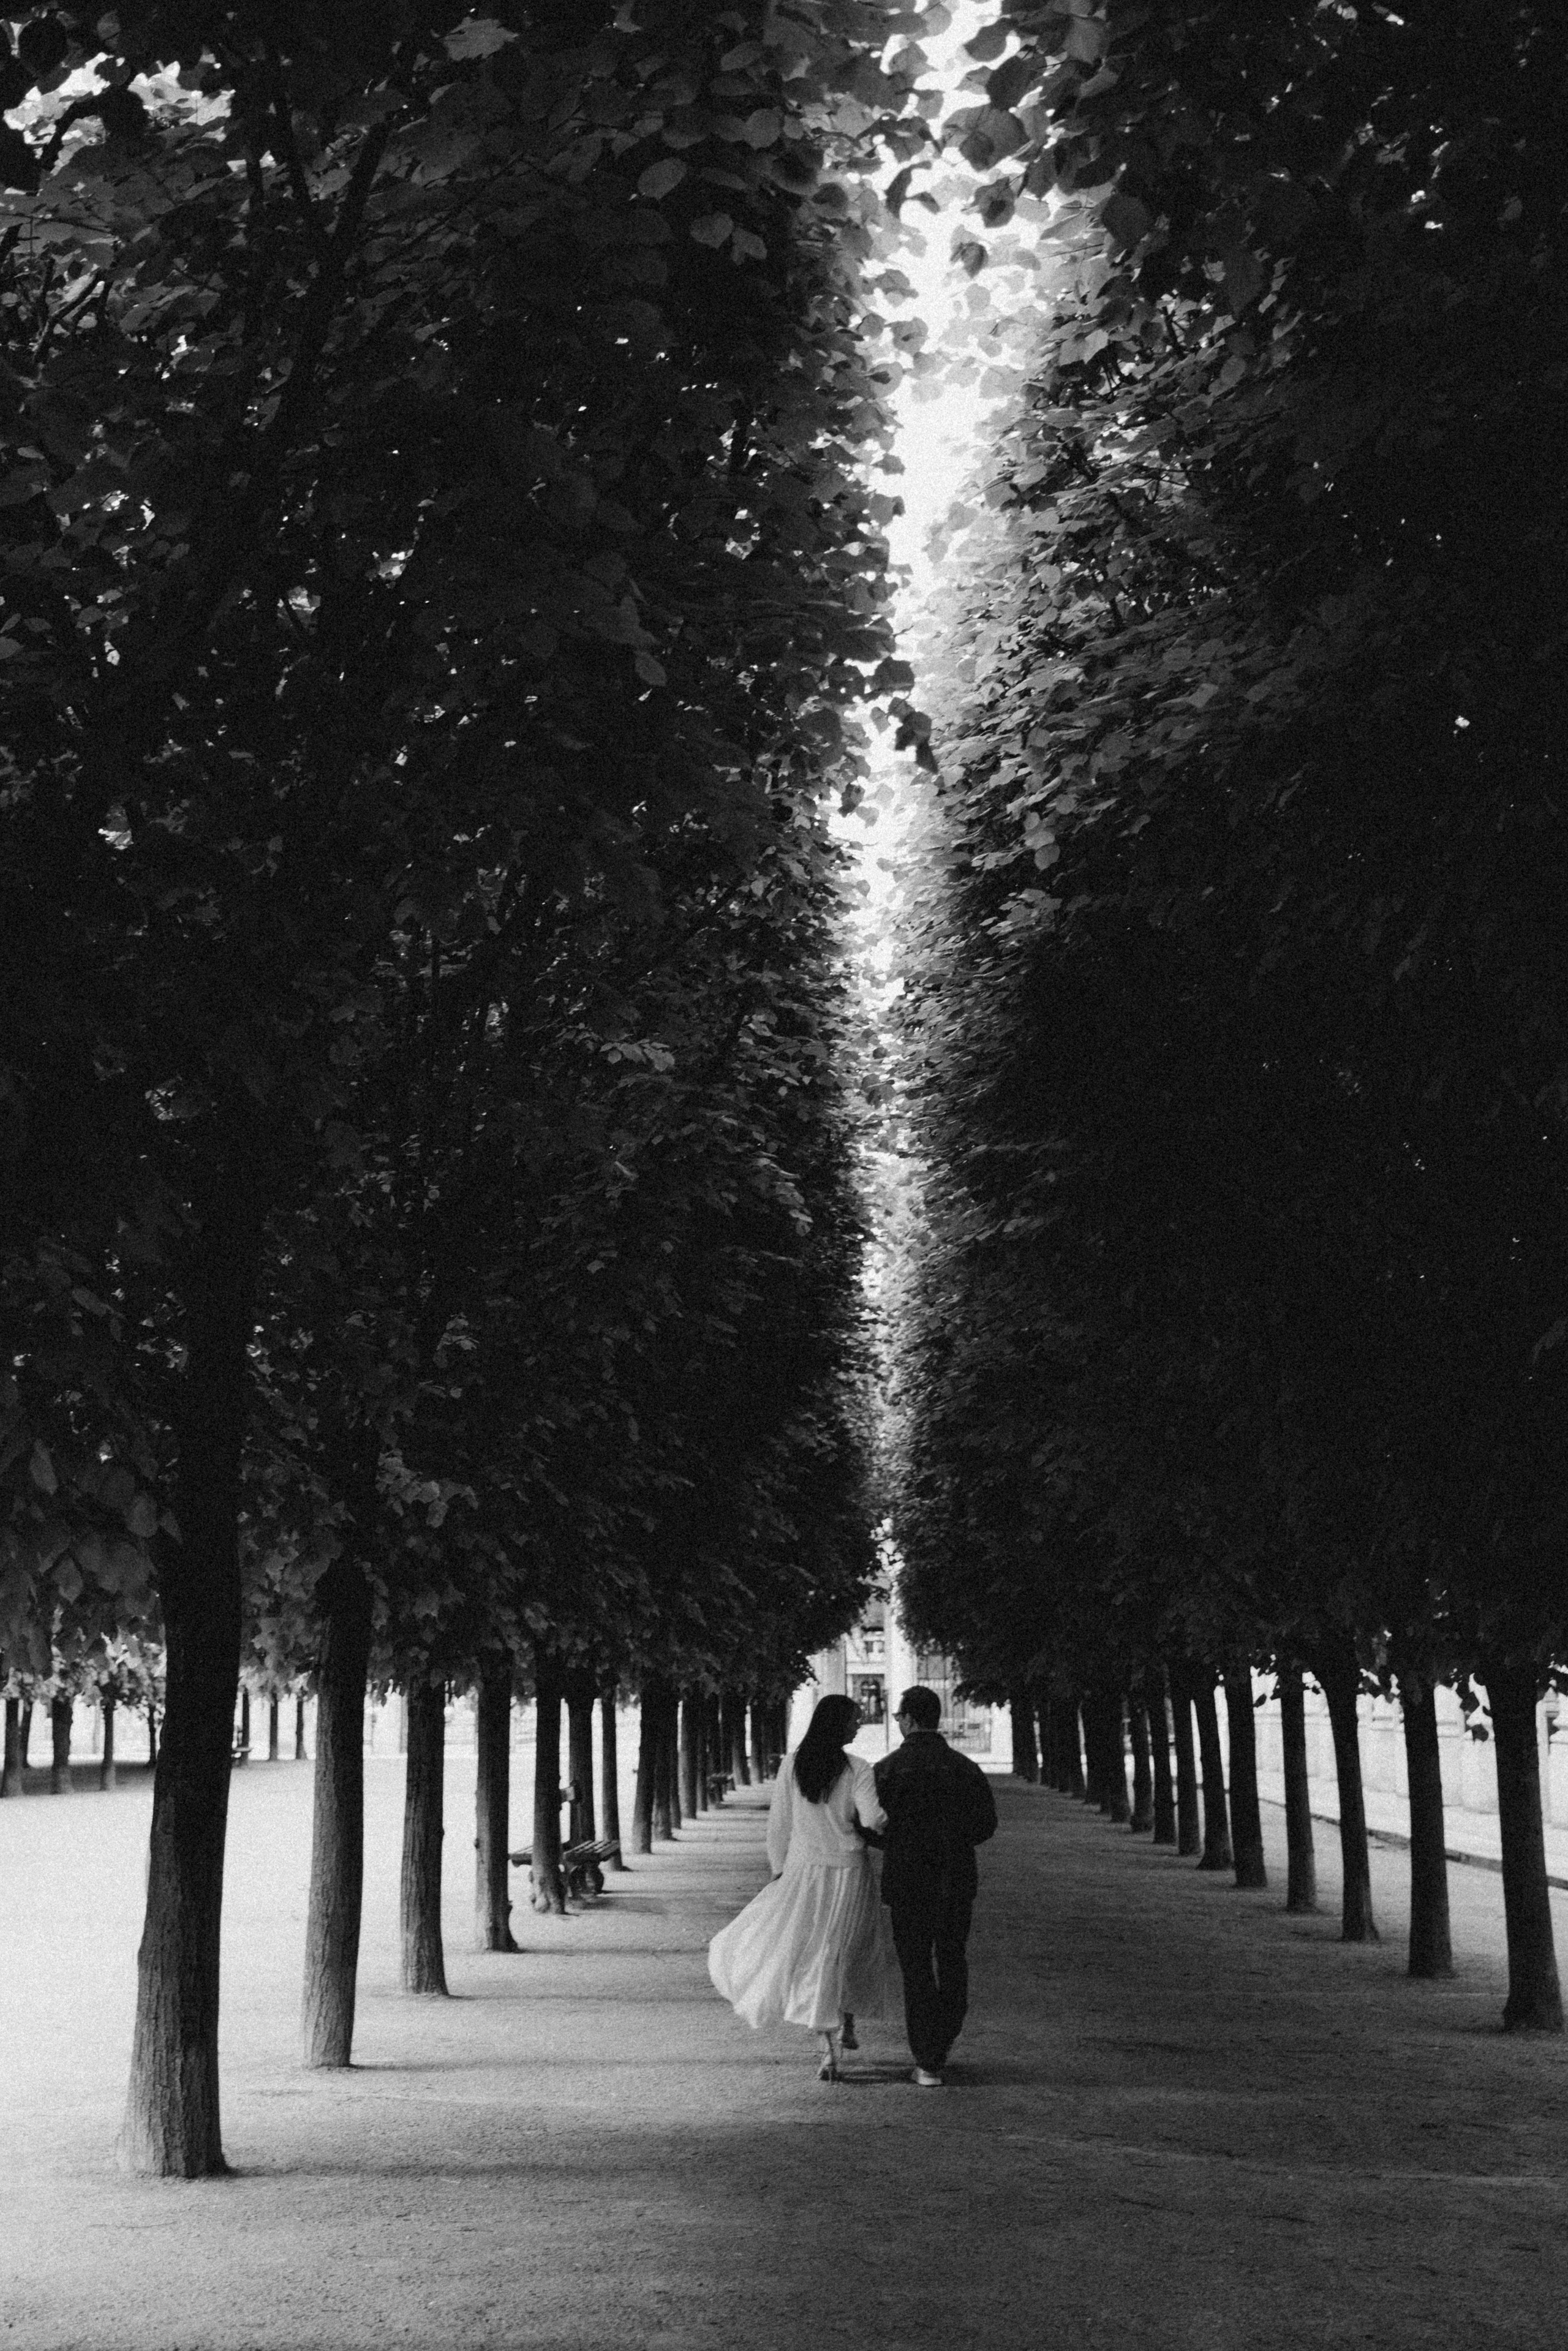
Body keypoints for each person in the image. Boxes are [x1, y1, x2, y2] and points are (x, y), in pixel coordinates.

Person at [707, 1694, 900, 2081]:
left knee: (816, 1951)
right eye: (854, 1720)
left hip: (804, 1871)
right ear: (837, 1724)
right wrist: (891, 1819)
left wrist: (779, 1870)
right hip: (848, 1874)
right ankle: (844, 2022)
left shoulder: (793, 1765)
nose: (859, 1725)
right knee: (847, 1947)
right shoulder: (858, 1768)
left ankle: (827, 2044)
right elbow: (873, 1819)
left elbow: (779, 1823)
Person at [873, 1685, 998, 2088]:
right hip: (955, 1878)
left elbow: (871, 1825)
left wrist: (899, 1842)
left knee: (915, 1967)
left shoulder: (888, 1769)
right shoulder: (964, 1768)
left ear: (908, 1720)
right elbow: (986, 1825)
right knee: (952, 1956)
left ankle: (927, 2053)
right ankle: (945, 2031)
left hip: (907, 1880)